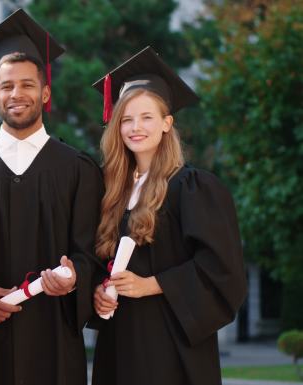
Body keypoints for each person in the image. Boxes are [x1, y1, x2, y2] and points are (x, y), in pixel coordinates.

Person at [0, 9, 104, 385]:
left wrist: (75, 276)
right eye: (8, 85)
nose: (18, 94)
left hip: (53, 339)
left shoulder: (77, 169)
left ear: (45, 93)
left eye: (28, 85)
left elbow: (92, 250)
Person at [89, 46, 247, 385]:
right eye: (126, 119)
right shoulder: (109, 192)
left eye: (146, 117)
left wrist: (150, 285)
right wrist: (99, 293)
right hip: (119, 342)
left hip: (173, 343)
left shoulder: (192, 187)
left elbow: (222, 269)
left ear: (166, 123)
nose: (135, 127)